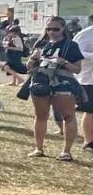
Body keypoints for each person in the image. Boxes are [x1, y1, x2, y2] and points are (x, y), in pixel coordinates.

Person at [25, 16, 84, 160]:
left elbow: (77, 69)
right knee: (40, 116)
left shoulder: (71, 45)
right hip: (41, 82)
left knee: (68, 116)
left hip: (63, 83)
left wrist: (63, 62)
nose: (52, 32)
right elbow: (29, 68)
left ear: (63, 28)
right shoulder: (41, 44)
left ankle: (66, 152)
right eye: (48, 29)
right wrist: (33, 58)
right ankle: (38, 148)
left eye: (55, 29)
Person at [73, 20, 93, 151]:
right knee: (90, 110)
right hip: (89, 78)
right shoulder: (85, 34)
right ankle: (88, 141)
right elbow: (76, 52)